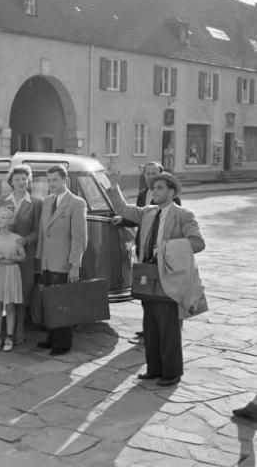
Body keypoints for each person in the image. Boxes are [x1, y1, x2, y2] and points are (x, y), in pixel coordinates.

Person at [108, 172, 205, 387]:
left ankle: (171, 373)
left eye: (160, 188)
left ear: (171, 192)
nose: (155, 191)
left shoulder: (183, 215)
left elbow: (197, 243)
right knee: (150, 326)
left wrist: (165, 249)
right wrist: (114, 187)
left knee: (168, 327)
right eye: (153, 188)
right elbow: (123, 210)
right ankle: (153, 369)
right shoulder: (148, 212)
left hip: (170, 277)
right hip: (147, 276)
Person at [112, 161, 181, 339]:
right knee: (146, 290)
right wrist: (122, 219)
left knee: (164, 294)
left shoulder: (174, 203)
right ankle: (149, 328)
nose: (149, 177)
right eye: (147, 173)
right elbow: (137, 215)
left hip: (164, 257)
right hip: (145, 250)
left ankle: (168, 330)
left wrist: (167, 248)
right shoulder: (144, 197)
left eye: (153, 173)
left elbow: (190, 239)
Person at [35, 164, 88, 356]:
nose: (52, 184)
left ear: (65, 180)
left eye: (55, 180)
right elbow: (43, 234)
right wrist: (39, 259)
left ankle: (63, 343)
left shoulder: (76, 203)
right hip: (48, 262)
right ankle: (52, 337)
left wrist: (75, 265)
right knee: (50, 302)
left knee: (62, 303)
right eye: (49, 180)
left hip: (64, 262)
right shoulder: (47, 201)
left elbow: (79, 237)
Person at [0, 165, 42, 344]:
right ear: (11, 182)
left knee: (21, 293)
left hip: (24, 256)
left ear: (29, 181)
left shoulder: (36, 203)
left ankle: (19, 330)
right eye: (17, 179)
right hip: (4, 255)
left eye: (24, 179)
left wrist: (25, 240)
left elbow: (38, 231)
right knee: (4, 293)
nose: (21, 182)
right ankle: (4, 330)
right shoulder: (3, 200)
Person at [0, 207, 26, 352]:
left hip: (11, 272)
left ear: (10, 221)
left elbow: (23, 256)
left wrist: (14, 258)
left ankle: (9, 336)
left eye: (3, 218)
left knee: (10, 306)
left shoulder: (17, 239)